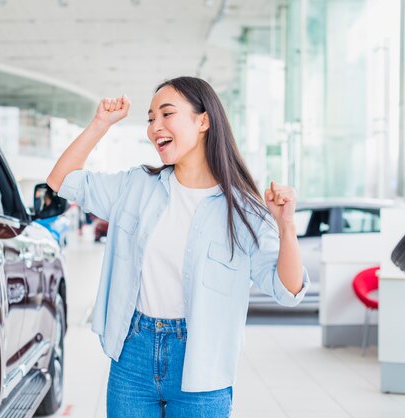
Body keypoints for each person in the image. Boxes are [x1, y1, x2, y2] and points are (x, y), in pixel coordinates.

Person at [46, 76, 310, 418]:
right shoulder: (136, 186)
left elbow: (287, 290)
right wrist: (101, 124)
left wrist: (286, 225)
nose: (156, 126)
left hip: (203, 365)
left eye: (167, 114)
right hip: (133, 356)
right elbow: (61, 180)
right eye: (151, 118)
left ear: (203, 121)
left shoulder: (243, 209)